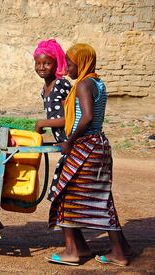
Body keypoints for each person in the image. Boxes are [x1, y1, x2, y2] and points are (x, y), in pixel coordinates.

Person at [46, 43, 133, 267]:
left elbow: (86, 117)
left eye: (71, 64)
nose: (67, 69)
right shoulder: (98, 82)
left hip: (85, 146)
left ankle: (72, 251)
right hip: (99, 146)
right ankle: (118, 251)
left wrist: (69, 141)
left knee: (63, 193)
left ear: (82, 63)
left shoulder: (84, 84)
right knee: (102, 199)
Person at [33, 39, 71, 143]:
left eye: (47, 63)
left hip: (72, 142)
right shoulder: (45, 89)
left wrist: (42, 123)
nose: (41, 68)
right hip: (63, 142)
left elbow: (70, 118)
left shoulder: (61, 85)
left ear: (56, 64)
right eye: (37, 63)